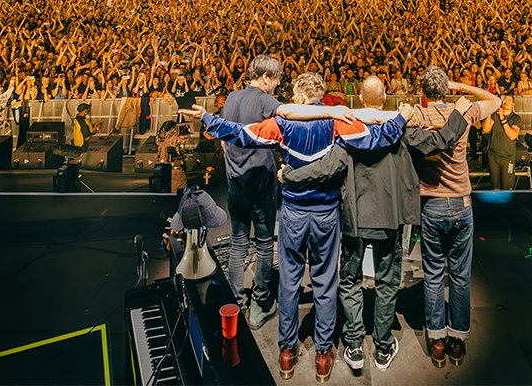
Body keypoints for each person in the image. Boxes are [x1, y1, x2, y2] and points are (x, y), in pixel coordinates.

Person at [183, 71, 407, 384]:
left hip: (293, 215)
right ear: (320, 98)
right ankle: (323, 355)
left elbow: (242, 135)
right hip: (326, 215)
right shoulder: (336, 123)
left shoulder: (283, 125)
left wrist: (208, 118)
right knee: (325, 284)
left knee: (289, 284)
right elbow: (374, 139)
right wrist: (400, 120)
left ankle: (287, 352)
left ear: (300, 98)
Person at [283, 78, 471, 373]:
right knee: (386, 283)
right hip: (389, 220)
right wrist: (459, 112)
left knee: (349, 281)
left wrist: (291, 175)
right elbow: (440, 141)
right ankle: (383, 346)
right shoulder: (401, 129)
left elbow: (326, 168)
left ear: (359, 97)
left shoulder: (350, 130)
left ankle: (354, 344)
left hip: (354, 222)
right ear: (385, 98)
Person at [406, 68, 500, 368]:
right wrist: (461, 86)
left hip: (431, 204)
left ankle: (437, 341)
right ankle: (457, 340)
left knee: (432, 275)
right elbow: (495, 100)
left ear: (423, 90)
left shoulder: (419, 116)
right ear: (445, 90)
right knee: (459, 275)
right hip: (460, 203)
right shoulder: (466, 111)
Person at [217, 54, 282, 330]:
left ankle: (234, 301)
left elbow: (222, 138)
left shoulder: (231, 97)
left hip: (235, 184)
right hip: (261, 185)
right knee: (265, 243)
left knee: (238, 243)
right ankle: (260, 304)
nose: (277, 86)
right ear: (266, 77)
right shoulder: (266, 100)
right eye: (277, 80)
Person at [482, 95, 522, 189]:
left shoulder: (515, 118)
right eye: (505, 100)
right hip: (493, 156)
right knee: (495, 185)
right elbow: (485, 129)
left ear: (513, 104)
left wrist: (502, 118)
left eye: (509, 100)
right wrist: (489, 112)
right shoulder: (494, 115)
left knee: (507, 185)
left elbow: (512, 136)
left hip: (508, 157)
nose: (506, 102)